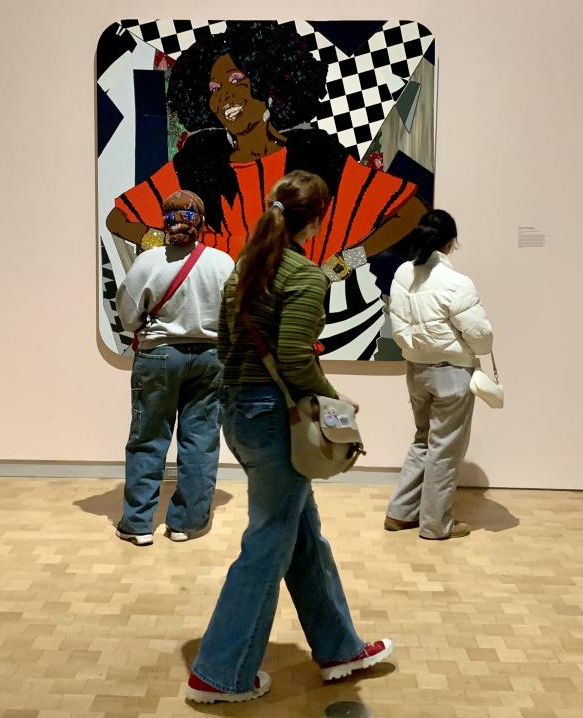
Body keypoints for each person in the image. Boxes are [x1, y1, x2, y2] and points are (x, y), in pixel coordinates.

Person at [186, 171, 392, 704]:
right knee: (267, 542)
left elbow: (228, 348)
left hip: (242, 412)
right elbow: (297, 355)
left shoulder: (243, 271)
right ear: (319, 218)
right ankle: (219, 673)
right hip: (276, 419)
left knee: (302, 535)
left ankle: (339, 648)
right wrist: (335, 402)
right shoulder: (303, 276)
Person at [107, 21, 426, 277]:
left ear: (269, 83)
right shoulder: (199, 166)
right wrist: (177, 247)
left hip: (290, 329)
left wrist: (345, 261)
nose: (224, 96)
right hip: (219, 330)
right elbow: (119, 220)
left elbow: (411, 212)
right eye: (215, 89)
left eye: (237, 80)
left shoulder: (317, 160)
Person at [114, 190, 234, 546]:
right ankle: (186, 523)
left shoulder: (148, 262)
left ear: (165, 220)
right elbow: (235, 311)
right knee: (200, 440)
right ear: (202, 221)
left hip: (159, 356)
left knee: (148, 439)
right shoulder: (222, 262)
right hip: (211, 358)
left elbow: (127, 314)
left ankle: (137, 525)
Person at [384, 210, 494, 540]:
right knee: (444, 448)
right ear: (450, 243)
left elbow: (397, 323)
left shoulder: (404, 274)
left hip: (416, 369)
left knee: (422, 440)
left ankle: (400, 513)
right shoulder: (457, 282)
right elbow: (481, 337)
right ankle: (435, 524)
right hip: (452, 373)